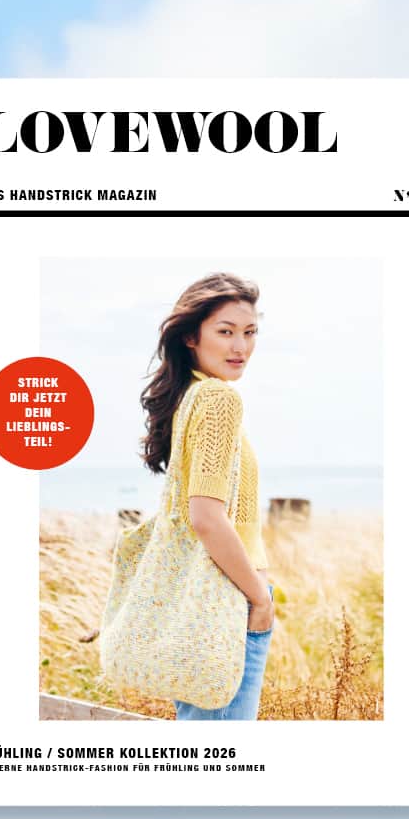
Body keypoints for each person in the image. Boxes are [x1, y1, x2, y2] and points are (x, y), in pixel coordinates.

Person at [135, 273, 276, 720]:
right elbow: (206, 518)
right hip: (228, 598)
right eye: (226, 331)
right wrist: (259, 599)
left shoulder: (190, 396)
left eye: (249, 332)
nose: (241, 347)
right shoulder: (217, 401)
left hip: (200, 599)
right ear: (192, 337)